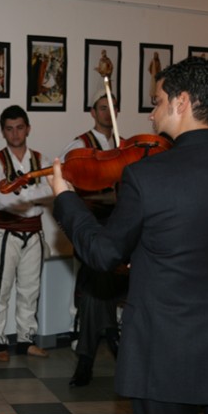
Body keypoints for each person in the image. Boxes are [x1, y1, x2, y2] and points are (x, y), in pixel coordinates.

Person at [48, 57, 208, 414]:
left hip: (164, 351)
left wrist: (65, 199)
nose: (151, 115)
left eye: (156, 102)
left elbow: (104, 254)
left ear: (181, 102)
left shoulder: (147, 176)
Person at [61, 88, 127, 387]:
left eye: (111, 107)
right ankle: (111, 339)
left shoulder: (124, 145)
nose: (106, 112)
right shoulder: (80, 145)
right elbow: (64, 182)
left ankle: (88, 358)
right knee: (99, 282)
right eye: (101, 107)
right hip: (91, 227)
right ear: (92, 112)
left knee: (96, 290)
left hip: (120, 228)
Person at [0, 105, 53, 361]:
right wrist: (34, 194)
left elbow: (52, 191)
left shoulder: (41, 160)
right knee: (0, 289)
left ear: (28, 129)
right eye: (9, 129)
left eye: (20, 128)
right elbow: (5, 200)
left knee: (30, 289)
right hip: (6, 231)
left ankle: (26, 340)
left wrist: (23, 193)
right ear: (3, 132)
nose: (15, 134)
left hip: (33, 231)